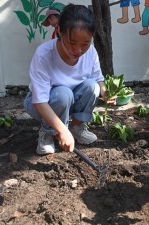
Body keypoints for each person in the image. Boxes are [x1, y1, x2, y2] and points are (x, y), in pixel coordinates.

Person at [24, 4, 110, 155]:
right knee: (63, 94)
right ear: (59, 31)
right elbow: (39, 101)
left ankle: (76, 127)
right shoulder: (44, 54)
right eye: (72, 42)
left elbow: (98, 78)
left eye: (85, 43)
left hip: (69, 100)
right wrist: (62, 130)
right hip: (40, 104)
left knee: (93, 87)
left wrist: (105, 92)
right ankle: (48, 133)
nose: (78, 50)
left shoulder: (90, 52)